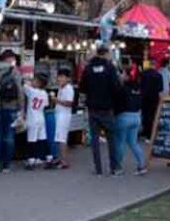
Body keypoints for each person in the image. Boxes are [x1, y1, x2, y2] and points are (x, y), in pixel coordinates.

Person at [79, 44, 121, 176]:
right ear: (107, 53)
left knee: (95, 140)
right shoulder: (110, 67)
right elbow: (116, 87)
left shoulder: (88, 68)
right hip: (107, 108)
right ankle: (114, 168)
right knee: (111, 139)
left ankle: (98, 169)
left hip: (92, 108)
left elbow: (82, 87)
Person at [114, 68, 147, 176]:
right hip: (136, 117)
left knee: (120, 143)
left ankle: (118, 167)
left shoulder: (122, 88)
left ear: (128, 76)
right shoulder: (138, 88)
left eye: (122, 73)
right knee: (133, 142)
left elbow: (118, 103)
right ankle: (142, 165)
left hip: (123, 117)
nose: (120, 75)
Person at [23, 74, 50, 170]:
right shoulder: (44, 93)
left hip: (32, 118)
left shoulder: (31, 91)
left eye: (34, 80)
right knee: (42, 138)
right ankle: (47, 157)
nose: (32, 81)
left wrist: (27, 79)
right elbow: (46, 105)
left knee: (32, 140)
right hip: (41, 118)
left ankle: (31, 160)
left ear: (38, 83)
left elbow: (24, 85)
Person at [54, 68, 76, 169]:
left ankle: (64, 161)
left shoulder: (69, 88)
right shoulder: (61, 88)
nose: (60, 79)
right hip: (59, 115)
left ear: (68, 78)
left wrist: (56, 100)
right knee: (59, 138)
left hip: (64, 116)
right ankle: (61, 158)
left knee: (62, 138)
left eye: (62, 77)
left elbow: (69, 103)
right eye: (59, 76)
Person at [140, 61, 164, 139]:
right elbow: (161, 89)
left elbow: (140, 85)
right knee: (153, 115)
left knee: (145, 115)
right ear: (155, 65)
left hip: (144, 97)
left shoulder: (144, 73)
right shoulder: (159, 75)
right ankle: (151, 133)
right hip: (154, 98)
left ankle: (145, 131)